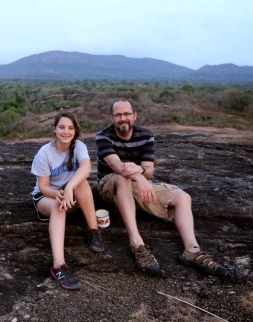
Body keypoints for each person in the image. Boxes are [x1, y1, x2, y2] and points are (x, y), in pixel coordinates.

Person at [95, 98, 228, 276]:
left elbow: (149, 170)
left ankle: (192, 250)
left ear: (135, 115)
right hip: (109, 186)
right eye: (118, 115)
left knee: (183, 197)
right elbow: (116, 166)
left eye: (127, 114)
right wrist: (140, 178)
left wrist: (141, 173)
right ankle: (137, 244)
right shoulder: (103, 137)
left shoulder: (146, 135)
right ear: (112, 117)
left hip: (134, 185)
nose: (122, 118)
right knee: (122, 178)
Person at [31, 112, 104, 291]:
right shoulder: (45, 153)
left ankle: (94, 231)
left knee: (82, 183)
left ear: (75, 131)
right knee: (58, 206)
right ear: (54, 130)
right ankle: (58, 266)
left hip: (71, 195)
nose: (66, 132)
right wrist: (60, 194)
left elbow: (86, 168)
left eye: (70, 128)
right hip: (48, 197)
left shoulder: (78, 146)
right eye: (62, 127)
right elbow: (43, 187)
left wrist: (69, 188)